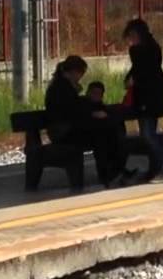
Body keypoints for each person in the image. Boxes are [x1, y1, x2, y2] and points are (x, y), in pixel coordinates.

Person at [45, 56, 125, 187]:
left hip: (67, 129)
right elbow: (71, 111)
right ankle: (109, 172)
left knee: (105, 131)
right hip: (63, 132)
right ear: (73, 72)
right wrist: (92, 113)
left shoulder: (63, 85)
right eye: (80, 74)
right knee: (103, 134)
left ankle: (111, 172)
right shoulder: (61, 88)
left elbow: (75, 110)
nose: (80, 78)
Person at [122, 18, 163, 183]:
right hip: (145, 95)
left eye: (131, 36)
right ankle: (153, 170)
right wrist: (129, 78)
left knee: (148, 135)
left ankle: (160, 170)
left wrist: (134, 79)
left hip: (150, 96)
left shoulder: (148, 48)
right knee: (146, 134)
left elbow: (146, 70)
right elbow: (136, 69)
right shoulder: (141, 49)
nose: (130, 41)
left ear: (137, 34)